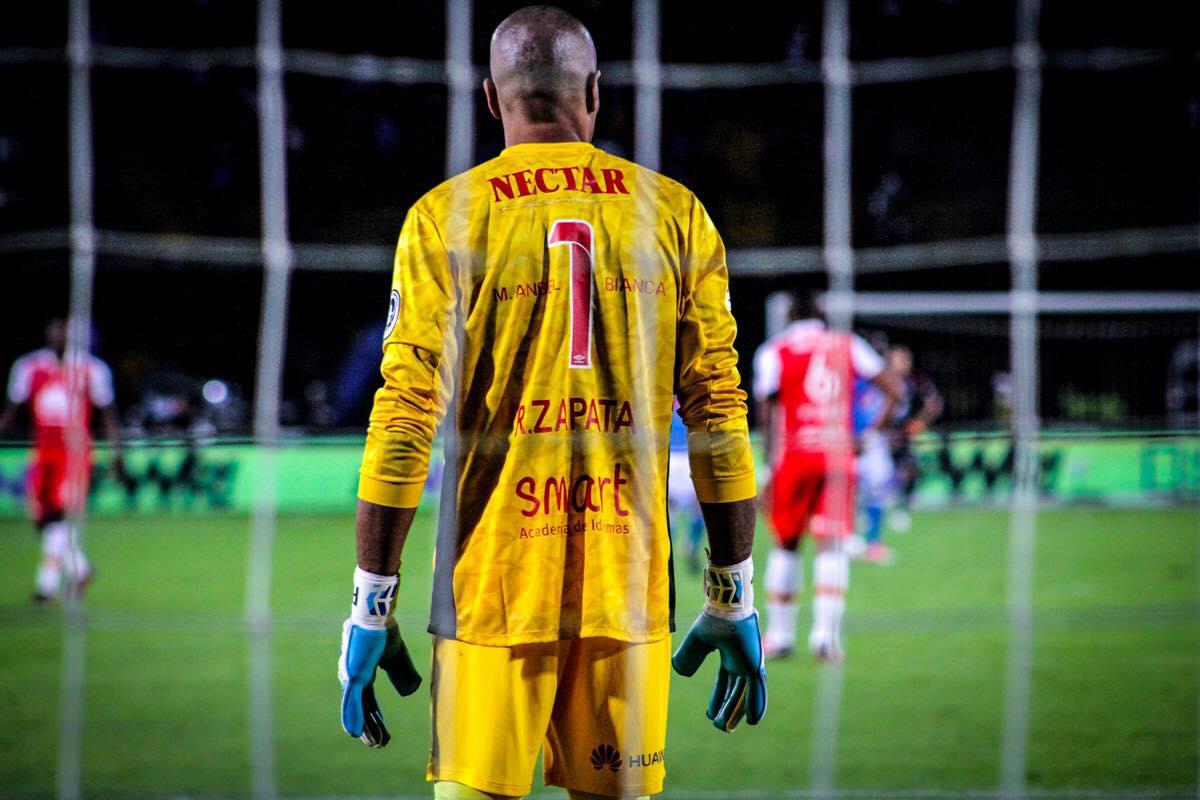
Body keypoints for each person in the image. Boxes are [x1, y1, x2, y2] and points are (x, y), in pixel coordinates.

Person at [335, 7, 766, 800]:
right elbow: (718, 414)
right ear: (595, 92)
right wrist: (731, 591)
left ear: (491, 101)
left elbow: (403, 417)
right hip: (627, 589)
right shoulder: (674, 214)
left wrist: (371, 604)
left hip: (491, 590)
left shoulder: (445, 217)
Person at [753, 292, 900, 663]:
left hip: (794, 455)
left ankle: (780, 636)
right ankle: (826, 639)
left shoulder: (775, 350)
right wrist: (867, 436)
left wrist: (768, 469)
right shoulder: (848, 344)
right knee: (831, 544)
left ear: (787, 316)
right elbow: (894, 389)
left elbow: (768, 413)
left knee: (786, 544)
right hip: (837, 454)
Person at [0, 318, 122, 603]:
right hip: (42, 451)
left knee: (58, 513)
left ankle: (46, 586)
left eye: (64, 328)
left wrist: (117, 453)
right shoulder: (28, 366)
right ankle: (79, 569)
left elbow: (108, 414)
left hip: (75, 453)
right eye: (55, 327)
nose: (58, 333)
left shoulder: (92, 368)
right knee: (42, 518)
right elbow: (10, 411)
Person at [884, 345, 942, 533]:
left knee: (910, 468)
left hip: (903, 433)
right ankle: (870, 512)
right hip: (881, 433)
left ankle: (902, 509)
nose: (905, 364)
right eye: (900, 360)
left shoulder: (916, 380)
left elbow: (934, 403)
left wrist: (919, 423)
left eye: (907, 360)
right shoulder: (880, 379)